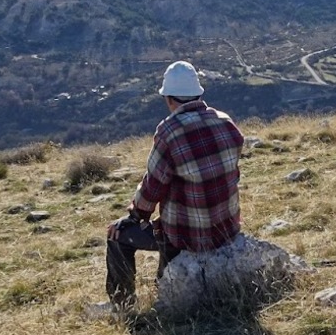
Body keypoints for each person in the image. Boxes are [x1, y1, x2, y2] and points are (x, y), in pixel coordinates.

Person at [105, 61, 244, 306]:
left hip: (187, 237)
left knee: (117, 236)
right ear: (198, 93)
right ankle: (163, 277)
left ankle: (123, 306)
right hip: (227, 229)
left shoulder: (169, 131)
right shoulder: (226, 122)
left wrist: (134, 216)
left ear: (169, 99)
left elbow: (153, 187)